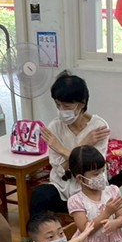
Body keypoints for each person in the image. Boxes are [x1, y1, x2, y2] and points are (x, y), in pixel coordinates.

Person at [31, 72, 110, 218]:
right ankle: (41, 232)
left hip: (88, 188)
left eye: (66, 106)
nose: (61, 110)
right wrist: (84, 145)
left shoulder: (98, 127)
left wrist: (61, 149)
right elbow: (60, 170)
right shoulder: (54, 127)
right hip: (61, 188)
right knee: (40, 195)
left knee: (97, 206)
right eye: (57, 104)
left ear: (82, 103)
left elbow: (93, 167)